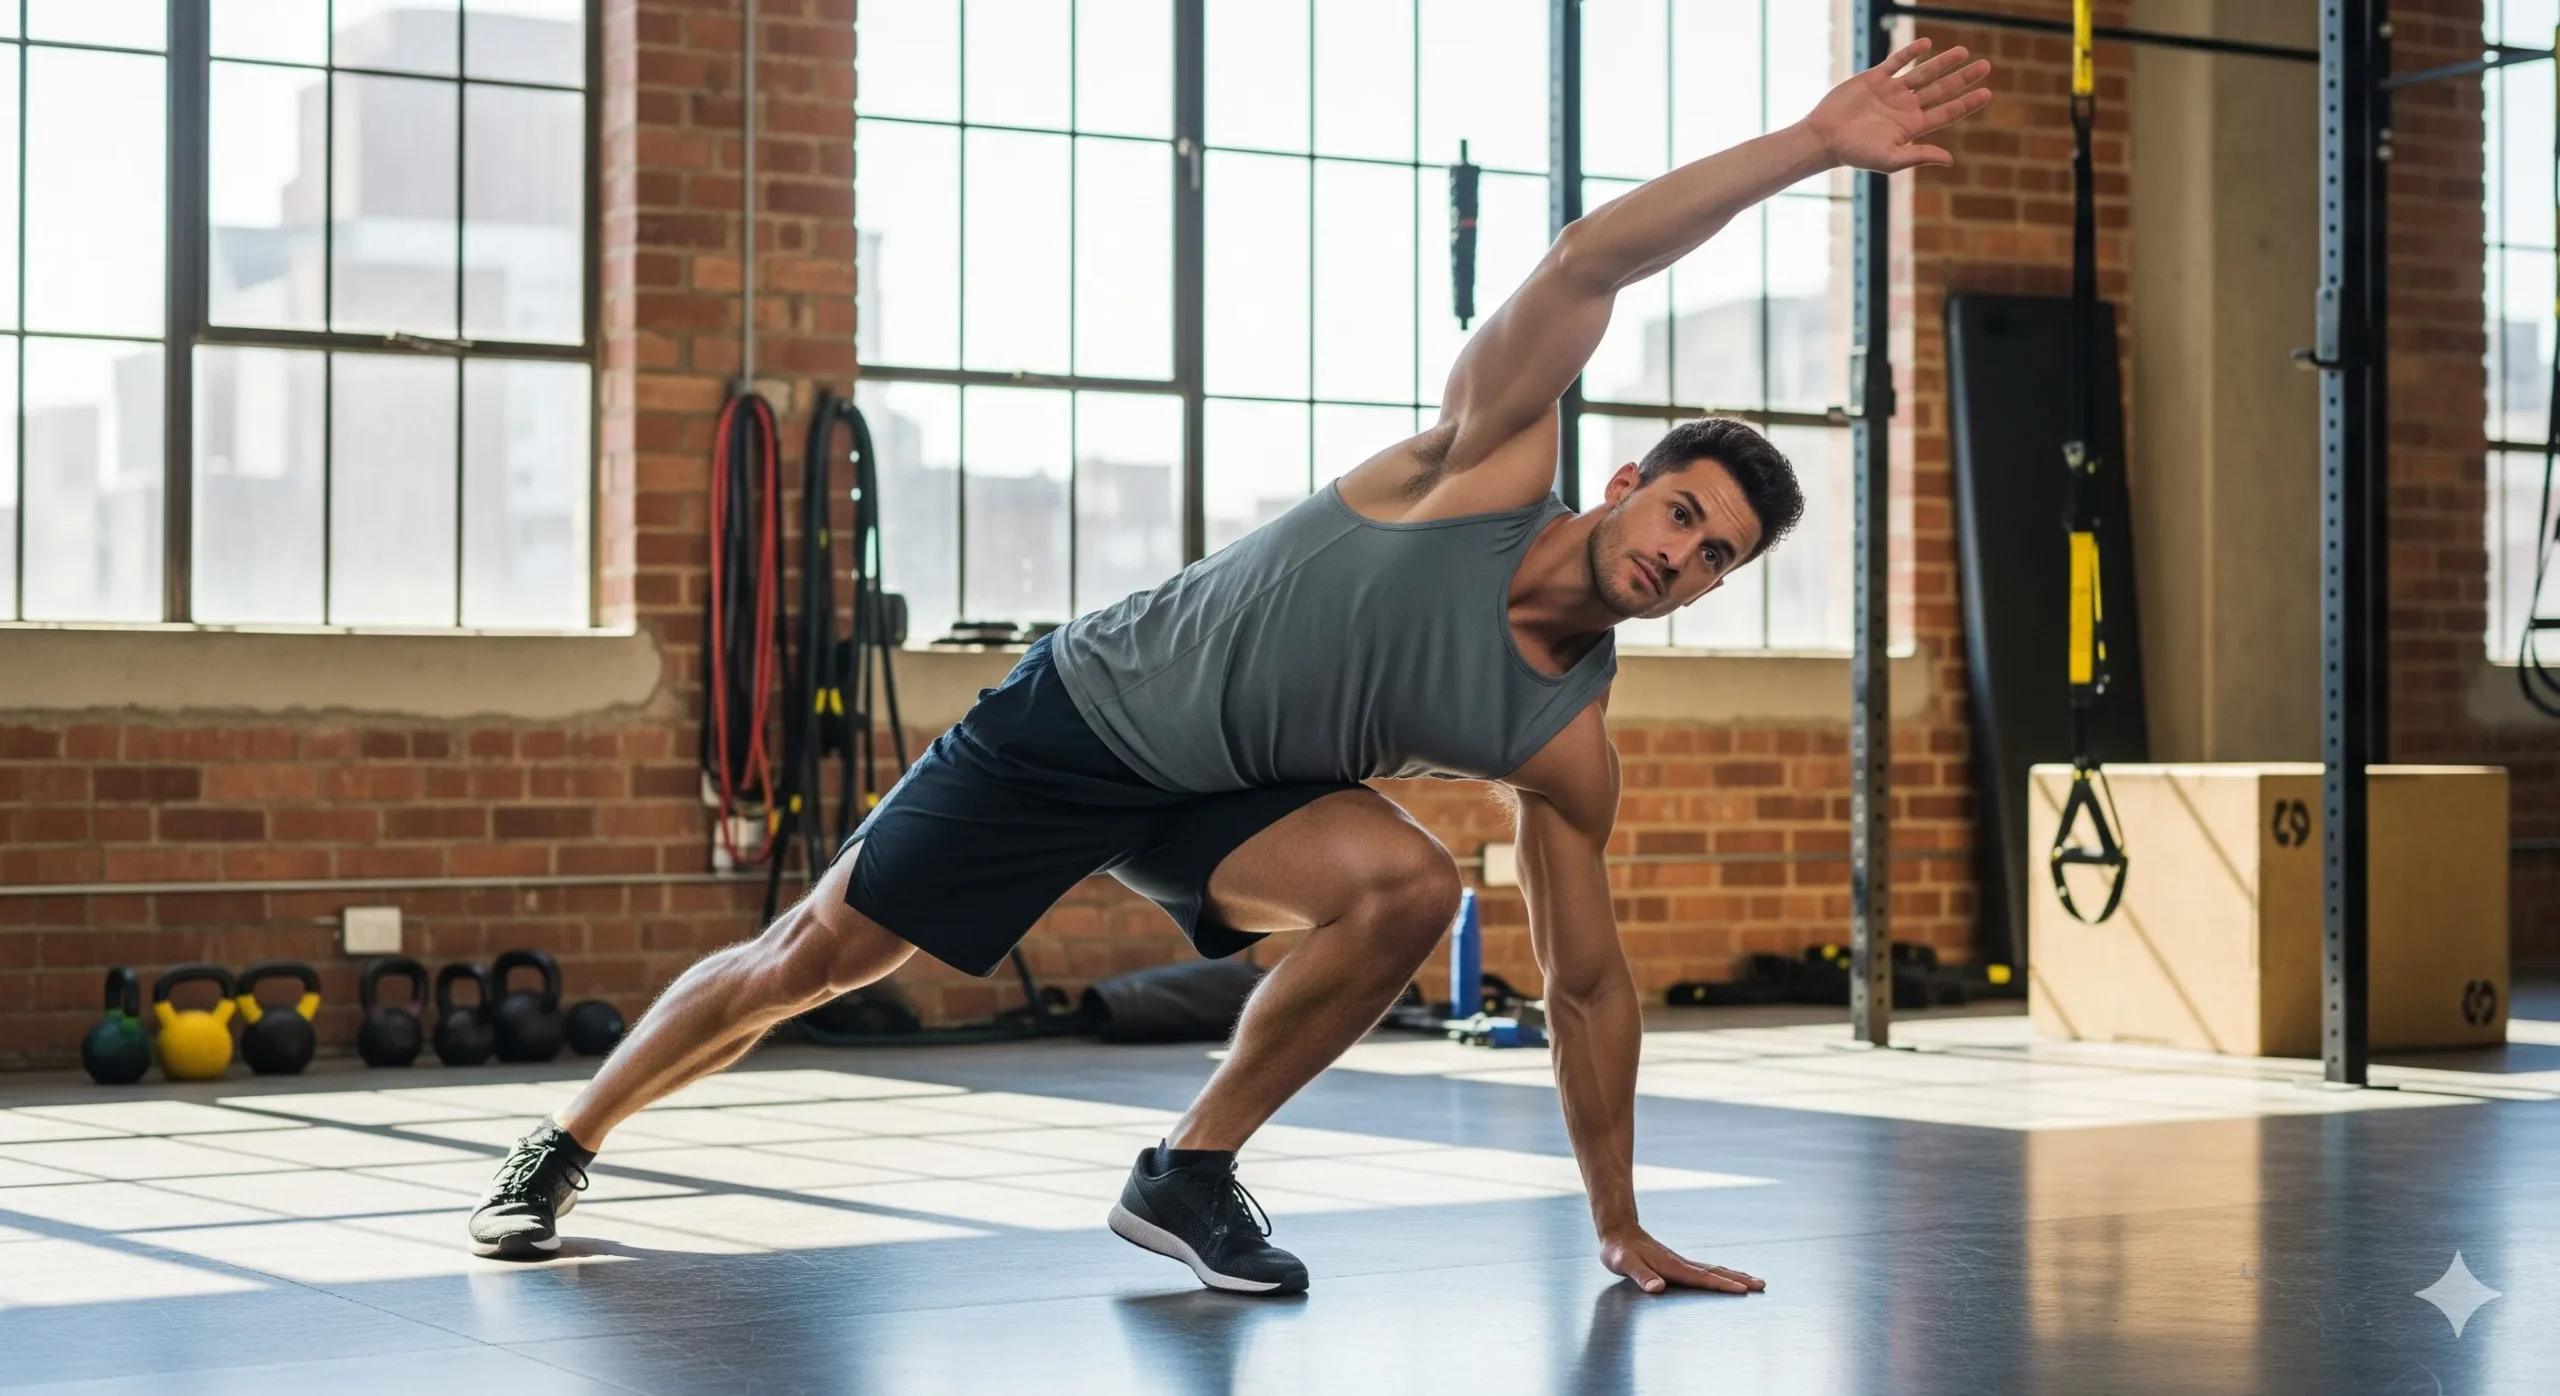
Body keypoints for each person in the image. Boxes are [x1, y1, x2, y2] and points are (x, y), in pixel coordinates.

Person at [468, 39, 1992, 1295]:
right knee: (814, 960)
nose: (1683, 557)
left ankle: (1190, 1172)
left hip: (1233, 793)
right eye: (1682, 513)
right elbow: (1591, 260)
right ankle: (571, 1140)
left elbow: (1590, 987)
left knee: (1411, 889)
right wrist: (1808, 143)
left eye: (1717, 557)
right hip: (1084, 716)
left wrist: (1616, 1217)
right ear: (1621, 483)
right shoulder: (1480, 461)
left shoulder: (1564, 737)